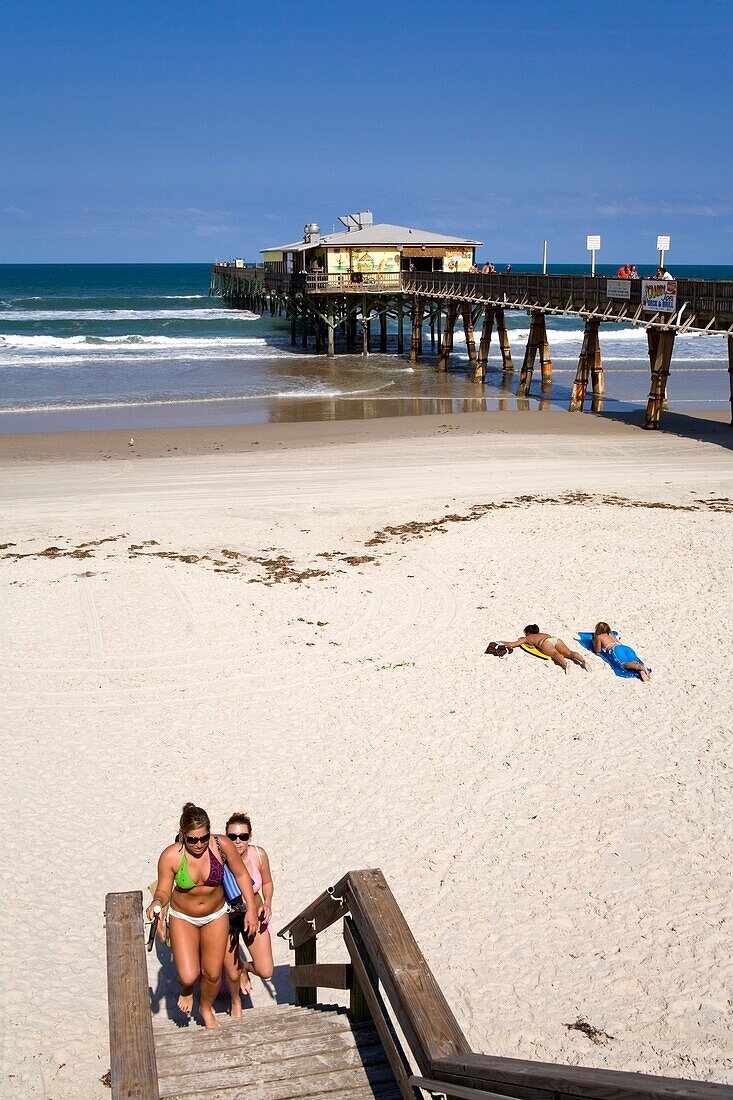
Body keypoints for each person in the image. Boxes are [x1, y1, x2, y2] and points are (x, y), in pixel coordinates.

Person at [147, 803, 258, 1029]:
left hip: (216, 916)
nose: (198, 844)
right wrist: (157, 901)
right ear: (182, 836)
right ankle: (187, 988)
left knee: (213, 973)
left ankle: (205, 1009)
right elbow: (163, 889)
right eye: (192, 840)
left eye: (203, 838)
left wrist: (252, 910)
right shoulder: (171, 856)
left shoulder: (221, 846)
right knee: (189, 976)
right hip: (183, 917)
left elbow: (242, 875)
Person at [222, 812, 275, 1015]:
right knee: (230, 971)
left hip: (256, 916)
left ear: (249, 837)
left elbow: (267, 882)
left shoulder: (258, 855)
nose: (238, 841)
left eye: (243, 836)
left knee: (266, 970)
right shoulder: (220, 859)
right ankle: (236, 1003)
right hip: (229, 917)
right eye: (232, 836)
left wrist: (268, 903)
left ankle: (244, 966)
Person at [502, 625, 588, 673]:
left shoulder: (527, 638)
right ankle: (583, 661)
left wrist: (502, 642)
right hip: (554, 639)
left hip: (544, 643)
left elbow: (512, 644)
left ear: (527, 632)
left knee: (555, 654)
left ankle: (565, 664)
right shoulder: (542, 633)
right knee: (569, 653)